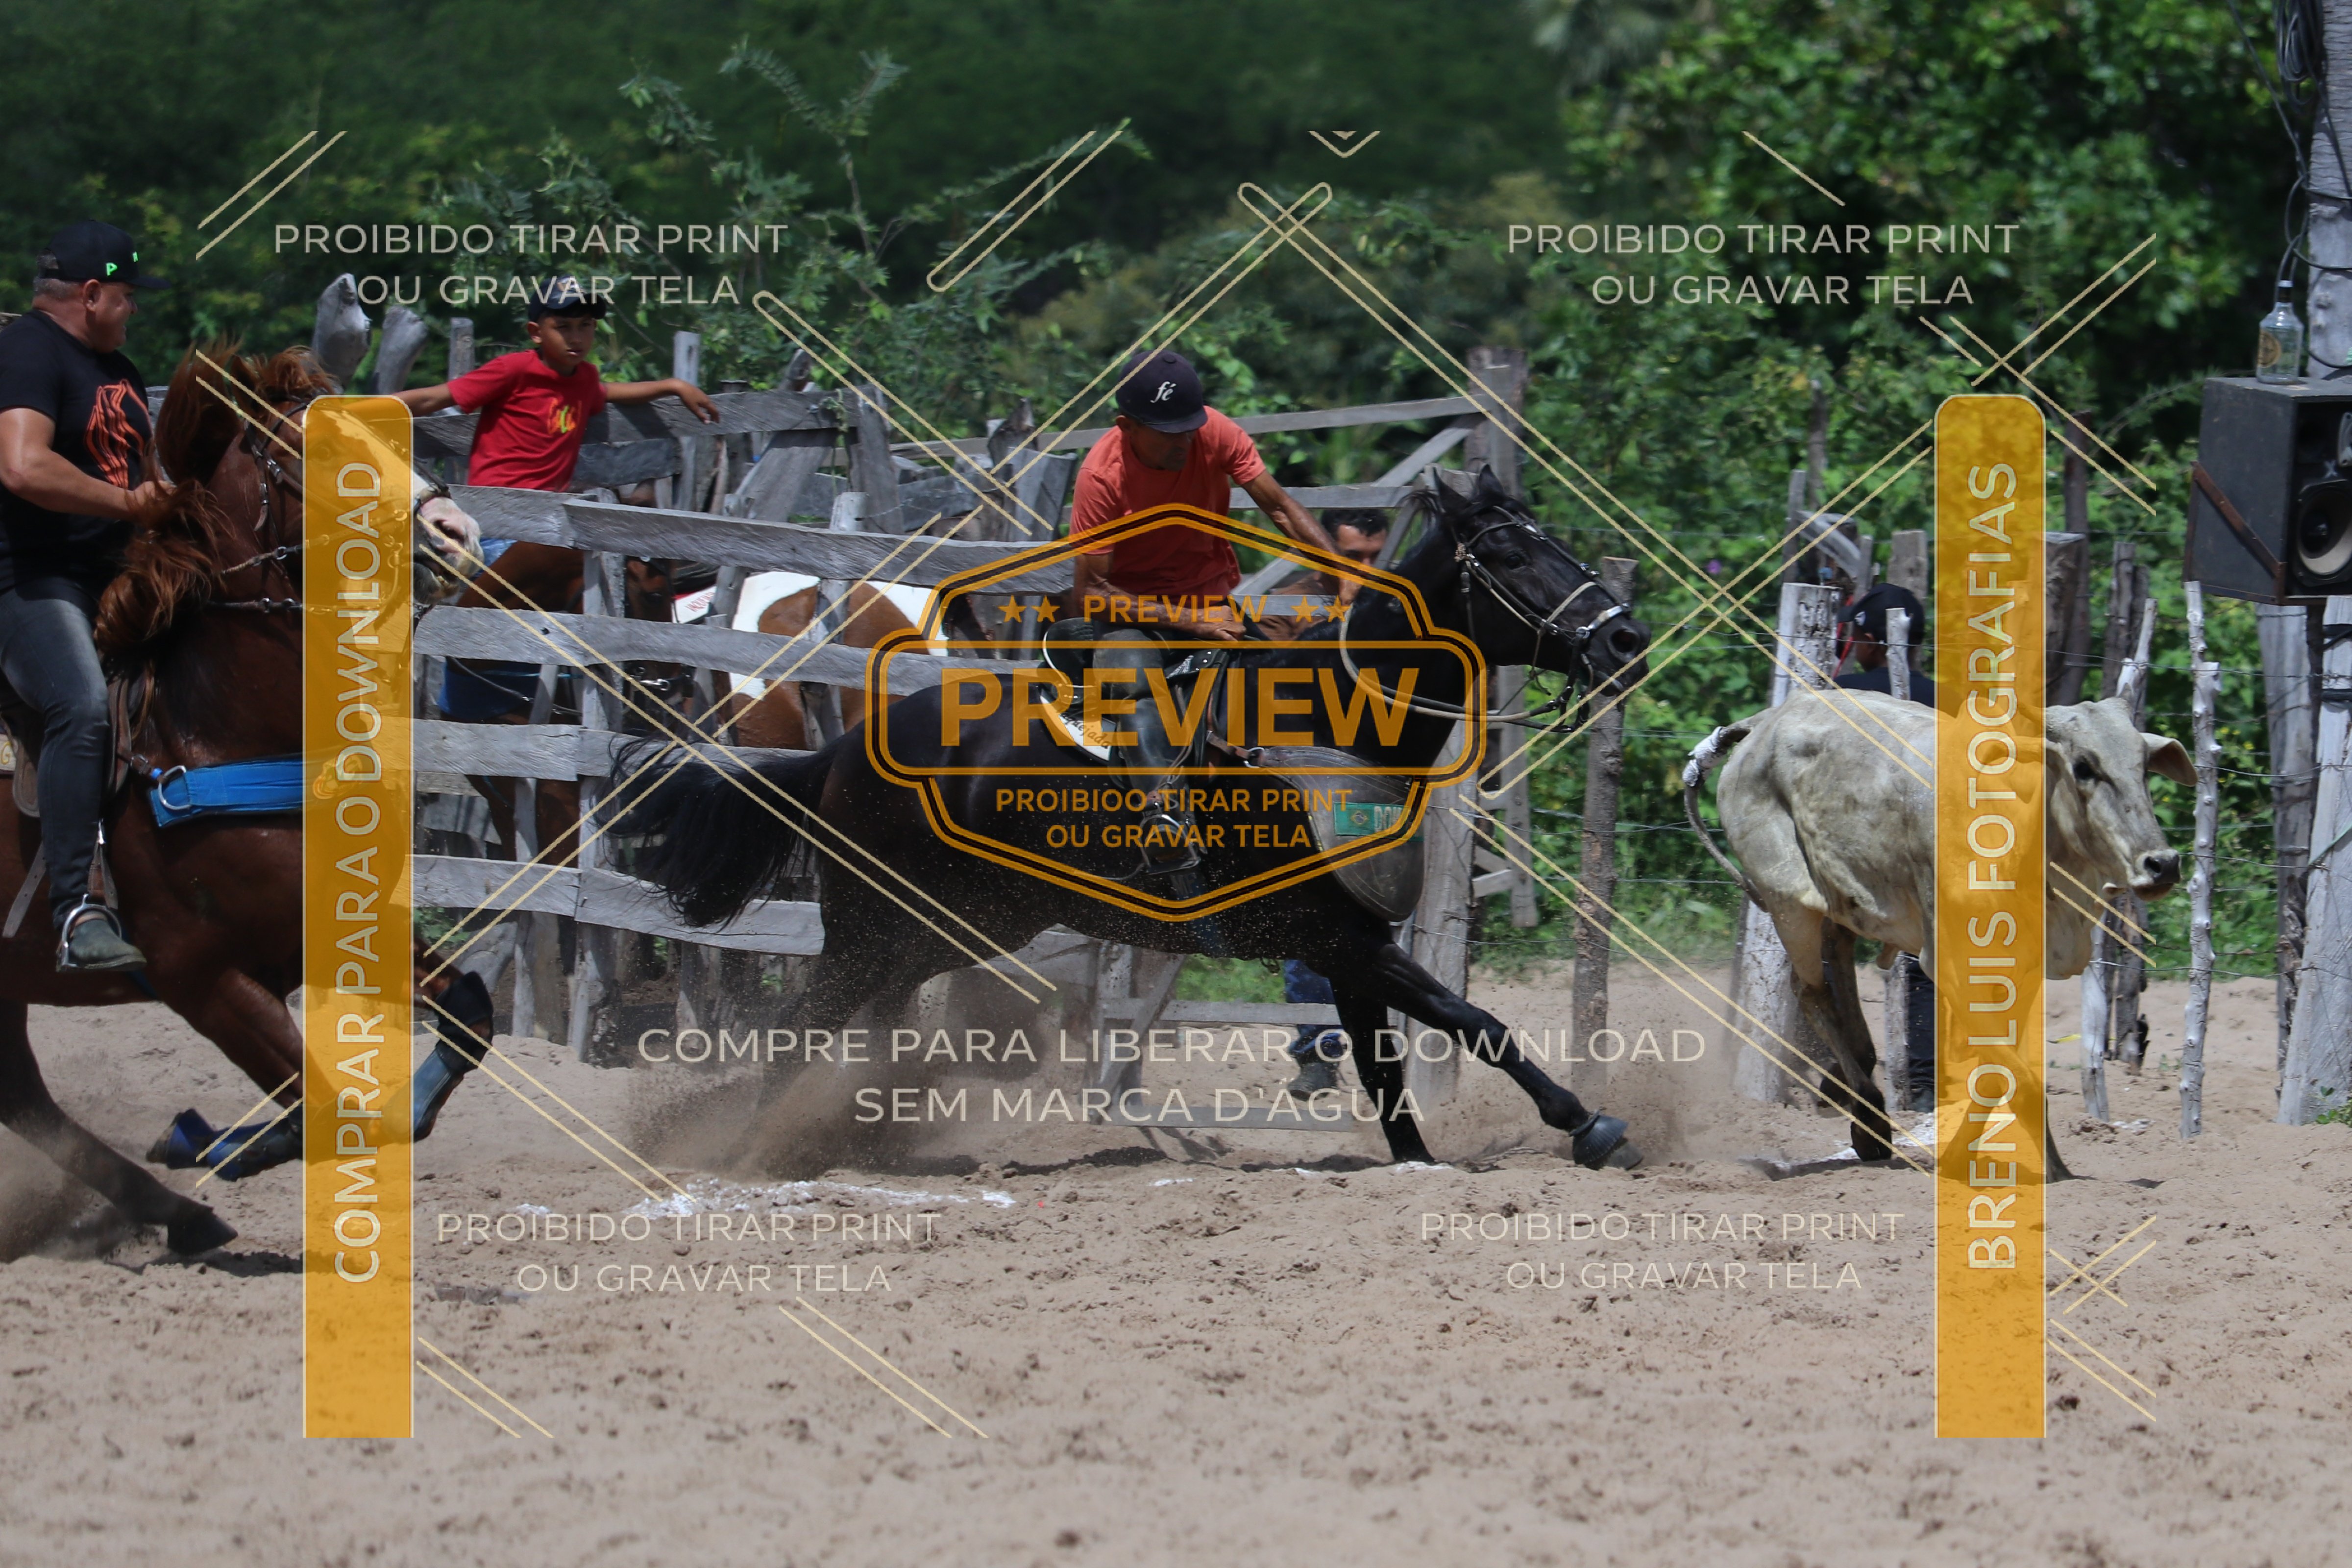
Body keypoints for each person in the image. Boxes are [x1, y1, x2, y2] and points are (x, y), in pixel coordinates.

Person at [393, 275, 717, 719]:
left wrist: (674, 386)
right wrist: (368, 409)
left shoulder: (584, 379)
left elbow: (610, 393)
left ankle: (600, 699)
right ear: (536, 332)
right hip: (496, 525)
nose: (576, 337)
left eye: (586, 326)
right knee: (498, 623)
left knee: (616, 591)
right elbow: (436, 397)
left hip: (549, 528)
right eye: (563, 327)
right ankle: (470, 709)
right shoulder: (513, 371)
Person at [1068, 348, 1337, 872]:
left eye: (1190, 429)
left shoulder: (1215, 431)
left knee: (1286, 679)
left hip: (1212, 600)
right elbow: (1093, 594)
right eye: (1169, 434)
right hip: (1130, 617)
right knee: (1131, 685)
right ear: (1127, 426)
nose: (1185, 442)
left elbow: (1279, 507)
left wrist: (1344, 574)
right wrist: (1195, 622)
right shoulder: (1101, 477)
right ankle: (1163, 818)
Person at [0, 222, 172, 970]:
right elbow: (23, 467)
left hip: (112, 579)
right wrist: (130, 505)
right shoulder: (27, 350)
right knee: (79, 704)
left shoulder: (122, 370)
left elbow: (148, 474)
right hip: (28, 581)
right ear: (93, 293)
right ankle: (77, 910)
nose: (133, 310)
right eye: (128, 296)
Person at [1834, 581, 1936, 1109]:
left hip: (1853, 856)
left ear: (1873, 641)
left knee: (1826, 949)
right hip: (1929, 851)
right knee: (1927, 956)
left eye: (1856, 637)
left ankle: (1839, 1066)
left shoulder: (1840, 695)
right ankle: (1924, 1084)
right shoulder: (1949, 701)